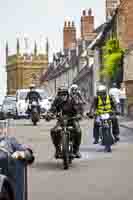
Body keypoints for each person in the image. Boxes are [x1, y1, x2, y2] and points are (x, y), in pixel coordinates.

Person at [47, 86, 82, 159]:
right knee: (53, 131)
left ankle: (76, 150)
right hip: (61, 120)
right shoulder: (57, 100)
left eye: (64, 94)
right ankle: (57, 149)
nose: (63, 96)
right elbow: (52, 109)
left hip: (72, 119)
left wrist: (78, 114)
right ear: (58, 95)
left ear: (67, 94)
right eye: (61, 94)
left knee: (78, 131)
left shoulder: (72, 99)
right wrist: (49, 114)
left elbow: (78, 109)